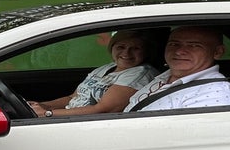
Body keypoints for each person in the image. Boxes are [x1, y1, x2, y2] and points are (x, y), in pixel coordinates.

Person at [30, 30, 160, 117]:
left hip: (87, 124)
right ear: (112, 48)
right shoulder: (108, 68)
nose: (126, 53)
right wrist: (42, 106)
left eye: (135, 49)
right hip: (68, 117)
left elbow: (102, 110)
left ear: (146, 52)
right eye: (121, 47)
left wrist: (48, 113)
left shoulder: (140, 74)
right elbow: (72, 98)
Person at [123, 26, 230, 111]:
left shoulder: (215, 94)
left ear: (218, 52)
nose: (179, 51)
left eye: (194, 45)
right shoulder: (164, 77)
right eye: (174, 44)